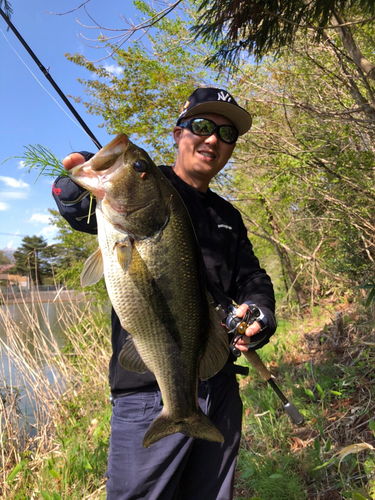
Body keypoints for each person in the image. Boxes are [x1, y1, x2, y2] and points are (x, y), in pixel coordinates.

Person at [52, 87, 277, 500]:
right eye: (203, 126)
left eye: (226, 135)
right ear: (178, 133)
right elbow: (77, 209)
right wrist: (71, 189)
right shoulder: (147, 188)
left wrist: (261, 311)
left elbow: (253, 276)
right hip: (147, 391)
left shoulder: (228, 215)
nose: (213, 140)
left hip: (220, 384)